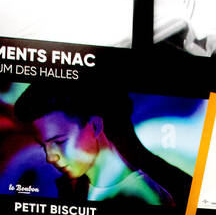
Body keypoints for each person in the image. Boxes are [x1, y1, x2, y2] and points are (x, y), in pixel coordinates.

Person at [14, 86, 192, 205]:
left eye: (60, 142)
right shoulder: (66, 192)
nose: (50, 157)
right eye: (43, 146)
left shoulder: (162, 192)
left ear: (96, 125)